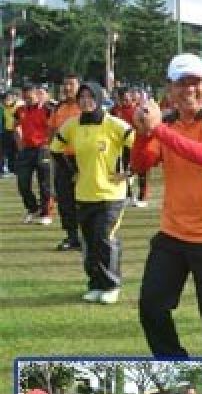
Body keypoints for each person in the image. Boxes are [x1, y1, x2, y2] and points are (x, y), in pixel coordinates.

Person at [132, 54, 202, 358]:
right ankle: (175, 364)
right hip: (173, 233)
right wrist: (143, 133)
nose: (189, 90)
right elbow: (141, 164)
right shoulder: (164, 122)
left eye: (195, 82)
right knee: (151, 306)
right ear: (169, 89)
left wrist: (158, 130)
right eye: (182, 83)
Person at [49, 81, 135, 304]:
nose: (86, 101)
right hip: (84, 194)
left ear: (99, 98)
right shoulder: (72, 125)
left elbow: (138, 143)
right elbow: (56, 149)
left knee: (104, 239)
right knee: (88, 242)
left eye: (90, 97)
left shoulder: (114, 124)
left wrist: (128, 170)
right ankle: (95, 283)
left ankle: (111, 284)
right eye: (82, 97)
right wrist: (72, 171)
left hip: (111, 195)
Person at [48, 73, 83, 250]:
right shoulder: (59, 109)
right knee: (65, 198)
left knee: (86, 199)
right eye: (65, 84)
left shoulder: (85, 107)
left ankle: (88, 236)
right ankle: (71, 236)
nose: (67, 88)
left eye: (71, 84)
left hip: (83, 159)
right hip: (63, 159)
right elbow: (52, 132)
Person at [14, 83, 55, 225]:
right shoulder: (20, 110)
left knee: (45, 183)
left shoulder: (48, 109)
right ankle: (33, 208)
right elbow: (16, 126)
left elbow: (53, 128)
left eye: (30, 95)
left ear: (37, 94)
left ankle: (47, 213)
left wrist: (49, 145)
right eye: (25, 96)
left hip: (43, 148)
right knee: (22, 183)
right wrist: (20, 144)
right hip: (26, 150)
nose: (28, 98)